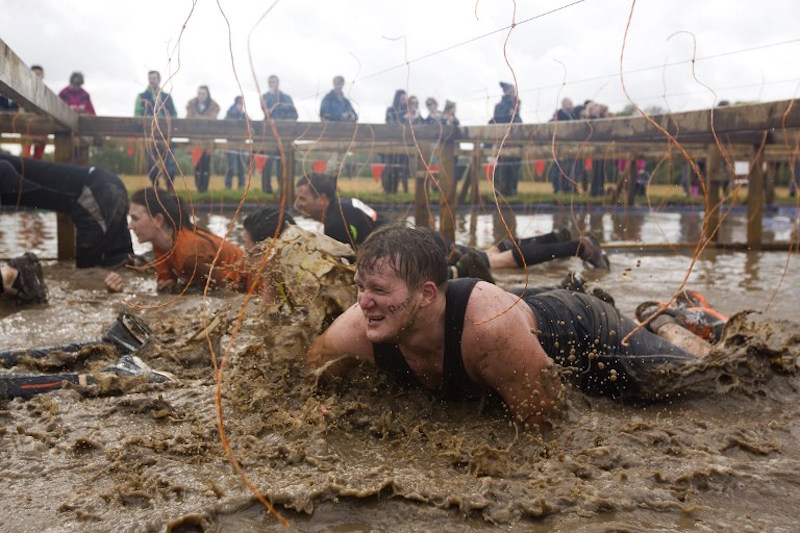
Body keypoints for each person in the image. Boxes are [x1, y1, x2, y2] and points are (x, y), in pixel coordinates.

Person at [306, 224, 713, 430]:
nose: (364, 303)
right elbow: (303, 384)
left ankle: (668, 321)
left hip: (580, 329)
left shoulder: (487, 331)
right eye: (360, 288)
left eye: (378, 290)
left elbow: (551, 424)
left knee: (702, 383)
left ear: (426, 294)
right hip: (517, 315)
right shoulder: (355, 330)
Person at [0, 153, 133, 268]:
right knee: (124, 260)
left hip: (97, 189)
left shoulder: (4, 166)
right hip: (107, 185)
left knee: (88, 271)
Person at [104, 188, 244, 293]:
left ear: (158, 220)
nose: (129, 226)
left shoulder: (189, 255)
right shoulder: (161, 244)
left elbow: (229, 293)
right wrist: (118, 293)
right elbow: (166, 288)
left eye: (135, 218)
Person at [293, 173, 381, 247]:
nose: (296, 204)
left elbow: (346, 262)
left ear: (322, 200)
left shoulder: (335, 224)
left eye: (302, 199)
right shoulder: (340, 205)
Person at [134, 70, 178, 190]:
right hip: (149, 136)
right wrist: (146, 120)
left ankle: (170, 187)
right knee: (151, 166)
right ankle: (155, 187)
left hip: (165, 135)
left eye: (154, 78)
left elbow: (174, 114)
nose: (152, 80)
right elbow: (137, 115)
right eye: (150, 78)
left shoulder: (167, 97)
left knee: (170, 165)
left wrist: (165, 120)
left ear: (159, 79)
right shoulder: (142, 97)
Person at [260, 75, 298, 194]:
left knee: (284, 163)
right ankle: (267, 190)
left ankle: (284, 188)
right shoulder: (265, 97)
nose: (273, 84)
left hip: (285, 135)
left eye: (274, 81)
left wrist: (286, 122)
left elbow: (294, 114)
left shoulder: (286, 97)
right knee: (268, 162)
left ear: (278, 83)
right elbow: (266, 112)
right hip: (270, 135)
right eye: (270, 82)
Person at [185, 85, 220, 193]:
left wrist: (197, 118)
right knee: (197, 166)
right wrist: (202, 119)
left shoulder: (213, 106)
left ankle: (204, 189)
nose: (201, 96)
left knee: (205, 165)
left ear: (207, 94)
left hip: (207, 140)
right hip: (195, 140)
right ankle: (198, 187)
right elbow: (188, 118)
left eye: (203, 93)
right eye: (199, 93)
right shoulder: (192, 105)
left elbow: (212, 119)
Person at [490, 81, 522, 196]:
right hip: (504, 140)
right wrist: (508, 115)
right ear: (506, 91)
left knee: (514, 167)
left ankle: (512, 191)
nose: (514, 92)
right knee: (503, 166)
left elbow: (518, 122)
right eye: (512, 90)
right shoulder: (500, 106)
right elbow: (496, 121)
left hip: (515, 140)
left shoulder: (516, 105)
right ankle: (500, 191)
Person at [382, 90, 410, 194]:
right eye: (402, 98)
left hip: (403, 143)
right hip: (392, 142)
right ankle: (388, 190)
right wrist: (403, 119)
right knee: (390, 166)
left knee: (402, 167)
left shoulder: (408, 110)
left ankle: (402, 190)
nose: (404, 100)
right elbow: (390, 123)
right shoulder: (390, 110)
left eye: (405, 98)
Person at [224, 96, 249, 190]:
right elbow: (227, 122)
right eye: (240, 103)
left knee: (241, 166)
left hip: (242, 143)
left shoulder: (244, 114)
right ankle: (228, 185)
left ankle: (241, 186)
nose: (242, 105)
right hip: (232, 143)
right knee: (231, 166)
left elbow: (249, 123)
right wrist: (237, 113)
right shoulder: (230, 112)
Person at [22, 65, 47, 160]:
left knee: (39, 151)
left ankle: (36, 165)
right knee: (26, 148)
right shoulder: (23, 89)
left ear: (43, 75)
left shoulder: (46, 93)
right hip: (27, 123)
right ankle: (26, 163)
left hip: (42, 125)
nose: (36, 76)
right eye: (34, 74)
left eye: (38, 74)